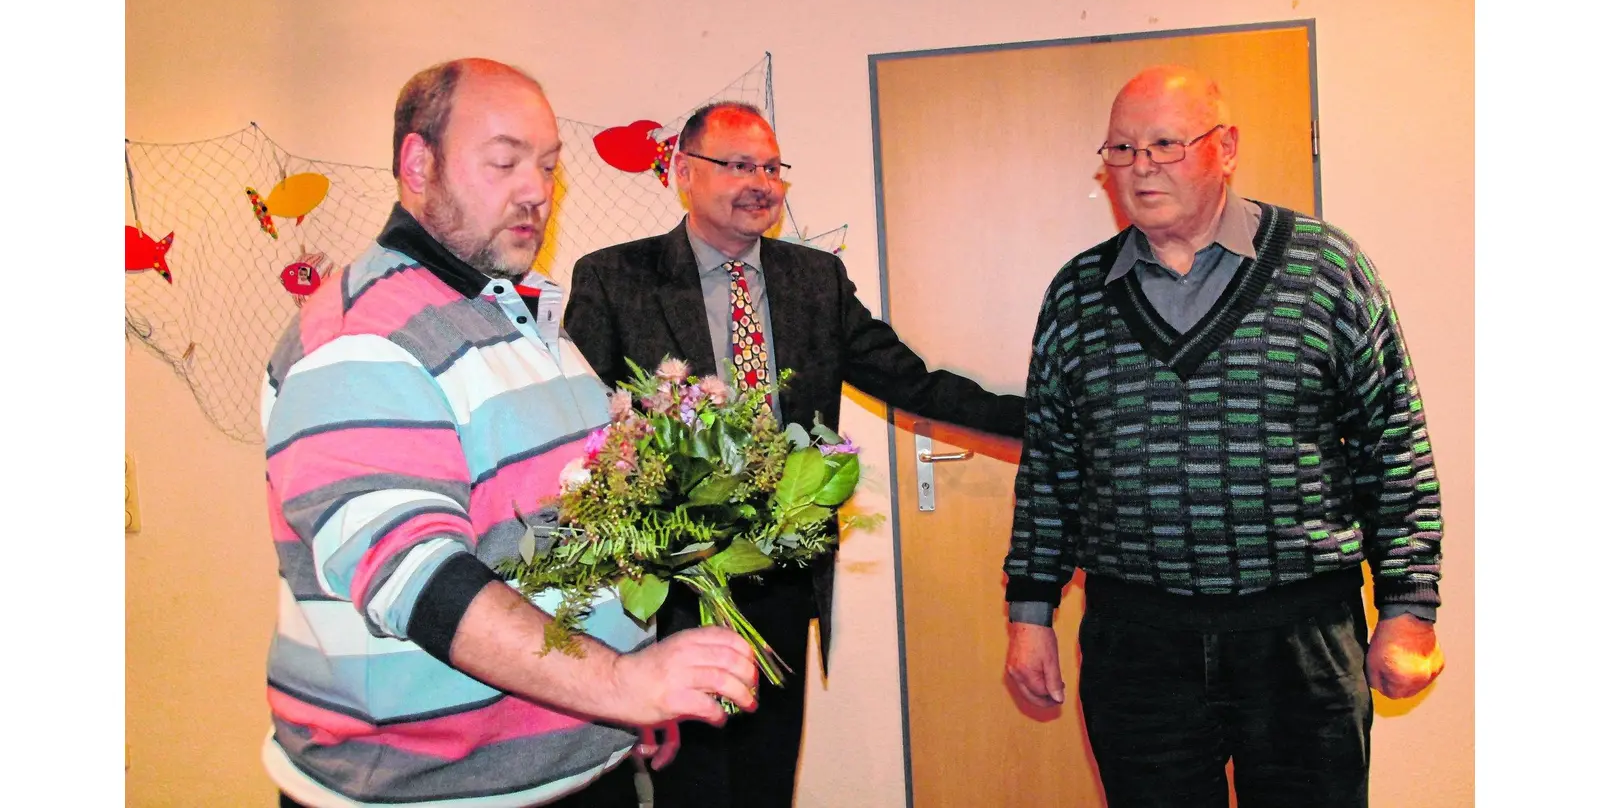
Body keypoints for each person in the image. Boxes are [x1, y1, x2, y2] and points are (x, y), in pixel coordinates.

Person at [259, 59, 760, 808]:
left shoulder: (518, 316)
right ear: (417, 164)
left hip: (575, 764)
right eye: (505, 161)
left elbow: (578, 526)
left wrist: (617, 698)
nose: (538, 191)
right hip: (428, 795)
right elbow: (416, 575)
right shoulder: (361, 337)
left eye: (550, 166)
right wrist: (618, 681)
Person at [1003, 65, 1446, 807]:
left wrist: (1409, 608)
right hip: (1136, 643)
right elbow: (1051, 466)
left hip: (1301, 638)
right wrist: (1030, 613)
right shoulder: (1077, 293)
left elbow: (1393, 445)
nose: (1140, 167)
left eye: (1165, 144)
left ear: (1227, 146)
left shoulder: (1327, 268)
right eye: (1121, 149)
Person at [563, 101, 1024, 807]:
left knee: (766, 781)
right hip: (672, 586)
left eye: (772, 167)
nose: (762, 183)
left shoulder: (815, 279)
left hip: (781, 576)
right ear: (684, 172)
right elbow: (578, 430)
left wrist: (1034, 422)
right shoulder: (614, 278)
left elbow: (908, 380)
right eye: (739, 165)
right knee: (690, 789)